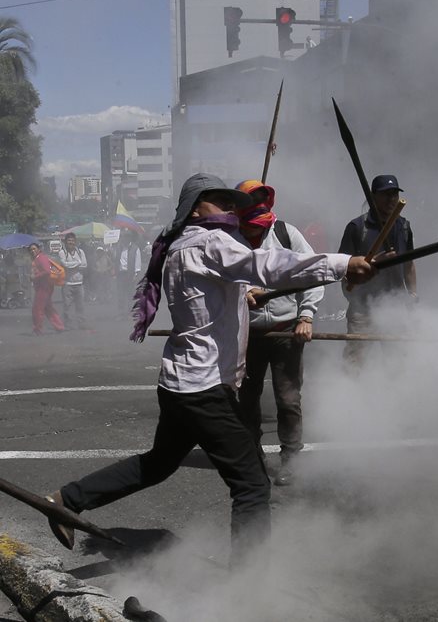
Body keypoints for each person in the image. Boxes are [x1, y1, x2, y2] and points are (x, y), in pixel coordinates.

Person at [46, 173, 376, 564]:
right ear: (197, 206)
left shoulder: (181, 245)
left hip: (180, 384)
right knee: (252, 483)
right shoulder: (208, 241)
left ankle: (66, 499)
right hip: (203, 387)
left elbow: (214, 290)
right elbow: (266, 264)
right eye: (222, 200)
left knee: (158, 465)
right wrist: (342, 264)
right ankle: (251, 583)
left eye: (231, 201)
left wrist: (240, 295)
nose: (231, 208)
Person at [235, 179, 322, 487]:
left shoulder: (287, 233)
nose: (255, 233)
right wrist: (241, 293)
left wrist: (306, 316)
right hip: (248, 334)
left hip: (287, 331)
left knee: (288, 399)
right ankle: (252, 456)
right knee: (247, 398)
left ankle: (292, 459)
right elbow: (218, 279)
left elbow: (312, 273)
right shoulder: (229, 240)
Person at [337, 174, 417, 368]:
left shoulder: (403, 227)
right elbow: (342, 265)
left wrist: (413, 293)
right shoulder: (357, 227)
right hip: (362, 309)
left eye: (394, 194)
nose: (391, 199)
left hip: (395, 307)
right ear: (373, 197)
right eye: (385, 194)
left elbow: (409, 264)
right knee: (355, 361)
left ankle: (394, 396)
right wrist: (374, 262)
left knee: (398, 362)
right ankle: (350, 395)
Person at [28, 243, 65, 335]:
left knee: (37, 308)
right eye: (31, 250)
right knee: (48, 308)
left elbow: (47, 271)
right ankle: (59, 326)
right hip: (45, 286)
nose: (33, 251)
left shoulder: (41, 258)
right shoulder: (38, 258)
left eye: (34, 249)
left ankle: (37, 329)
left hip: (43, 287)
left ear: (39, 249)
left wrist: (35, 276)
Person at [57, 233, 89, 331]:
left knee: (80, 305)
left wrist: (72, 265)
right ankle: (68, 324)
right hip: (67, 283)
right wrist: (78, 263)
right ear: (65, 242)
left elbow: (85, 265)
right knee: (67, 306)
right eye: (69, 241)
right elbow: (65, 265)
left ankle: (81, 323)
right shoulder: (62, 252)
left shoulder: (80, 252)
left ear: (75, 242)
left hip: (79, 283)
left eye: (72, 240)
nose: (71, 242)